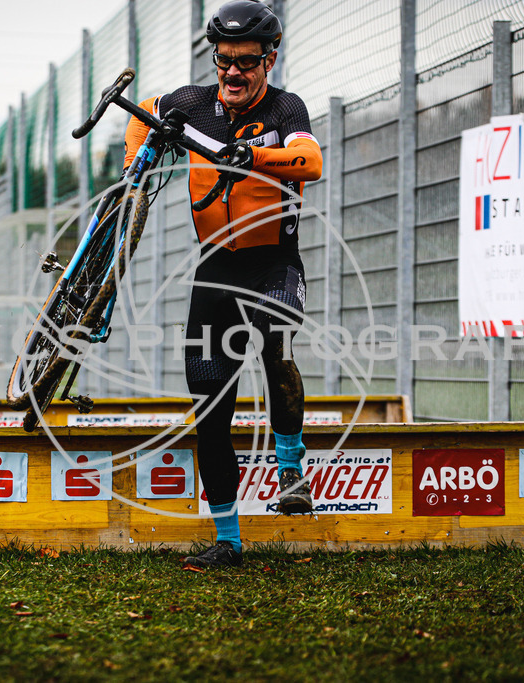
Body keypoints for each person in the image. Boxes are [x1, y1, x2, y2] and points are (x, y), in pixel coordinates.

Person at [122, 0, 323, 568]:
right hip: (216, 266)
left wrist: (254, 154)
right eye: (224, 60)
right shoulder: (191, 103)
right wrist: (134, 167)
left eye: (246, 63)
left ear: (269, 60)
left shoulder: (287, 107)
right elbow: (142, 113)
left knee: (273, 337)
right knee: (210, 404)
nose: (232, 73)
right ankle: (228, 542)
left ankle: (291, 468)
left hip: (274, 262)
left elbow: (310, 162)